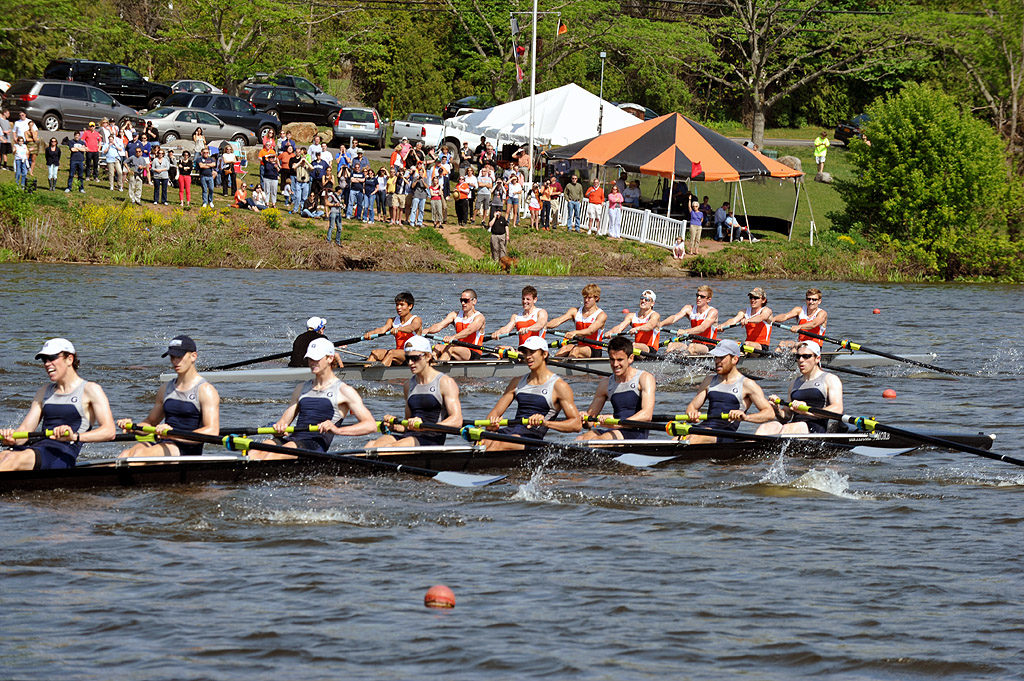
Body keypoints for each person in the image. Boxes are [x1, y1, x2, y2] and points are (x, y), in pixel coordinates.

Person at [0, 338, 116, 471]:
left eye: (52, 358)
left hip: (62, 454)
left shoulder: (91, 390)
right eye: (45, 360)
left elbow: (109, 431)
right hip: (37, 448)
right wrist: (11, 438)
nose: (47, 364)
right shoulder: (44, 391)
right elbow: (25, 429)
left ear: (69, 359)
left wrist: (74, 436)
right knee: (4, 455)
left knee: (11, 460)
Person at [253, 338, 377, 459]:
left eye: (316, 358)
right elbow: (283, 423)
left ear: (330, 358)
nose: (312, 362)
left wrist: (337, 430)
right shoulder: (301, 388)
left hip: (314, 446)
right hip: (293, 440)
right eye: (310, 358)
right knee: (255, 451)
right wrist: (278, 429)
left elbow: (370, 425)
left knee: (277, 453)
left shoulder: (344, 391)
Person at [116, 336, 221, 459]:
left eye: (179, 357)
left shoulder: (206, 390)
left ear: (193, 356)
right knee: (125, 455)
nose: (175, 361)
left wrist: (172, 435)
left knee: (139, 455)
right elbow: (150, 423)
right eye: (172, 357)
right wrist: (133, 427)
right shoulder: (165, 388)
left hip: (186, 449)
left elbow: (212, 431)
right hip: (164, 442)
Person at [481, 336, 581, 451]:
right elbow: (492, 416)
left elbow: (576, 424)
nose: (528, 357)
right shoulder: (517, 382)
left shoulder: (559, 386)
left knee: (499, 444)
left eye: (532, 352)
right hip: (512, 432)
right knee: (482, 441)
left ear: (544, 354)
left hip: (532, 439)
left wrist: (546, 423)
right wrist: (492, 424)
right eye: (525, 352)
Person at [366, 336, 463, 448]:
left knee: (390, 448)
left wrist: (424, 426)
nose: (410, 363)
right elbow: (408, 424)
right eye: (407, 359)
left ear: (428, 356)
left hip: (431, 439)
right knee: (371, 445)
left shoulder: (445, 383)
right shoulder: (408, 385)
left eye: (415, 358)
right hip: (410, 436)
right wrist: (395, 426)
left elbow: (457, 421)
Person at [681, 339, 774, 444]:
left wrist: (746, 417)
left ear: (734, 359)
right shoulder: (709, 380)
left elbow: (769, 413)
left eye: (721, 357)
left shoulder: (747, 384)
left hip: (725, 433)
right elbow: (692, 407)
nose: (717, 361)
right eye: (716, 357)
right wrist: (691, 415)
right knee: (678, 438)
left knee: (694, 438)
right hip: (703, 429)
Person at [578, 335, 656, 441]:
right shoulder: (605, 384)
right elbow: (590, 422)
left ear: (630, 358)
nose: (615, 364)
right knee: (581, 439)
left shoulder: (644, 378)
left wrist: (617, 422)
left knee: (599, 440)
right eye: (612, 359)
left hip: (635, 432)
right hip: (615, 429)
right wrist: (584, 418)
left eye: (620, 360)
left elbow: (647, 415)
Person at [757, 341, 844, 435]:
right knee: (767, 427)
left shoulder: (830, 379)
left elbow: (838, 409)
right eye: (798, 356)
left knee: (789, 428)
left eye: (806, 356)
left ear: (817, 358)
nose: (801, 360)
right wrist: (776, 409)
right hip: (794, 427)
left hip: (816, 427)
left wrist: (806, 410)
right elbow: (786, 416)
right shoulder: (794, 383)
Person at [546, 283, 607, 358]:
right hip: (580, 346)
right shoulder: (574, 311)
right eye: (584, 297)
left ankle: (565, 366)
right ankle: (553, 366)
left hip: (594, 349)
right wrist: (544, 325)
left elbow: (590, 331)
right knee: (565, 348)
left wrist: (575, 332)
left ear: (596, 298)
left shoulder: (601, 315)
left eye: (589, 298)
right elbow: (558, 321)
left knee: (576, 350)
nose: (586, 300)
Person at [363, 291, 423, 366]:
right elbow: (382, 330)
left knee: (391, 353)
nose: (398, 308)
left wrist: (399, 329)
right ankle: (366, 373)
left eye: (402, 305)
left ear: (410, 306)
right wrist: (370, 334)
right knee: (375, 353)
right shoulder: (392, 320)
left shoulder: (416, 320)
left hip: (414, 355)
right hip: (399, 354)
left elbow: (411, 328)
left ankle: (379, 373)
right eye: (397, 305)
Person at [424, 288, 486, 361]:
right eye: (461, 300)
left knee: (450, 348)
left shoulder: (479, 317)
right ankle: (431, 365)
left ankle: (437, 370)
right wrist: (427, 330)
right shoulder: (454, 315)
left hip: (473, 351)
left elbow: (469, 331)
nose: (463, 303)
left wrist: (453, 337)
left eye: (466, 300)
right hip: (458, 348)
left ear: (474, 301)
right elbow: (439, 325)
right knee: (437, 347)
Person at [659, 285, 719, 354]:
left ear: (708, 299)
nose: (698, 298)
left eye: (702, 296)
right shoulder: (688, 308)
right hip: (694, 344)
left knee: (691, 347)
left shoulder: (712, 312)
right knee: (671, 346)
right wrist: (660, 324)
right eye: (697, 295)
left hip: (708, 346)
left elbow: (702, 328)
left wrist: (685, 331)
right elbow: (674, 318)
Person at [717, 287, 773, 351]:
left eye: (756, 298)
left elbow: (761, 317)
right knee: (729, 344)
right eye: (751, 297)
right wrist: (723, 326)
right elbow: (733, 320)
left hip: (761, 346)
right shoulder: (744, 312)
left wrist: (748, 320)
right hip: (747, 346)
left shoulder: (767, 310)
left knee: (746, 344)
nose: (752, 300)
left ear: (763, 300)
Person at [608, 289, 661, 353]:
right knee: (617, 343)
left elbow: (650, 326)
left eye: (647, 300)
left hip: (650, 350)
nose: (643, 301)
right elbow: (620, 327)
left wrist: (637, 328)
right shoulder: (631, 316)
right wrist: (611, 332)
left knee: (630, 345)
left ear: (652, 303)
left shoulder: (655, 315)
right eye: (642, 298)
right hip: (636, 350)